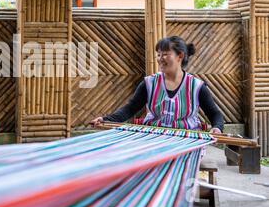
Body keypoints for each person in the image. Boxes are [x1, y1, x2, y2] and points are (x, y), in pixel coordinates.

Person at [90, 36, 224, 134]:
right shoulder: (149, 83)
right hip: (153, 137)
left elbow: (214, 113)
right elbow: (130, 109)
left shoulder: (196, 86)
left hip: (186, 140)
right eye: (158, 55)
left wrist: (217, 128)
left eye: (165, 54)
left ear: (180, 56)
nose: (160, 59)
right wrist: (106, 119)